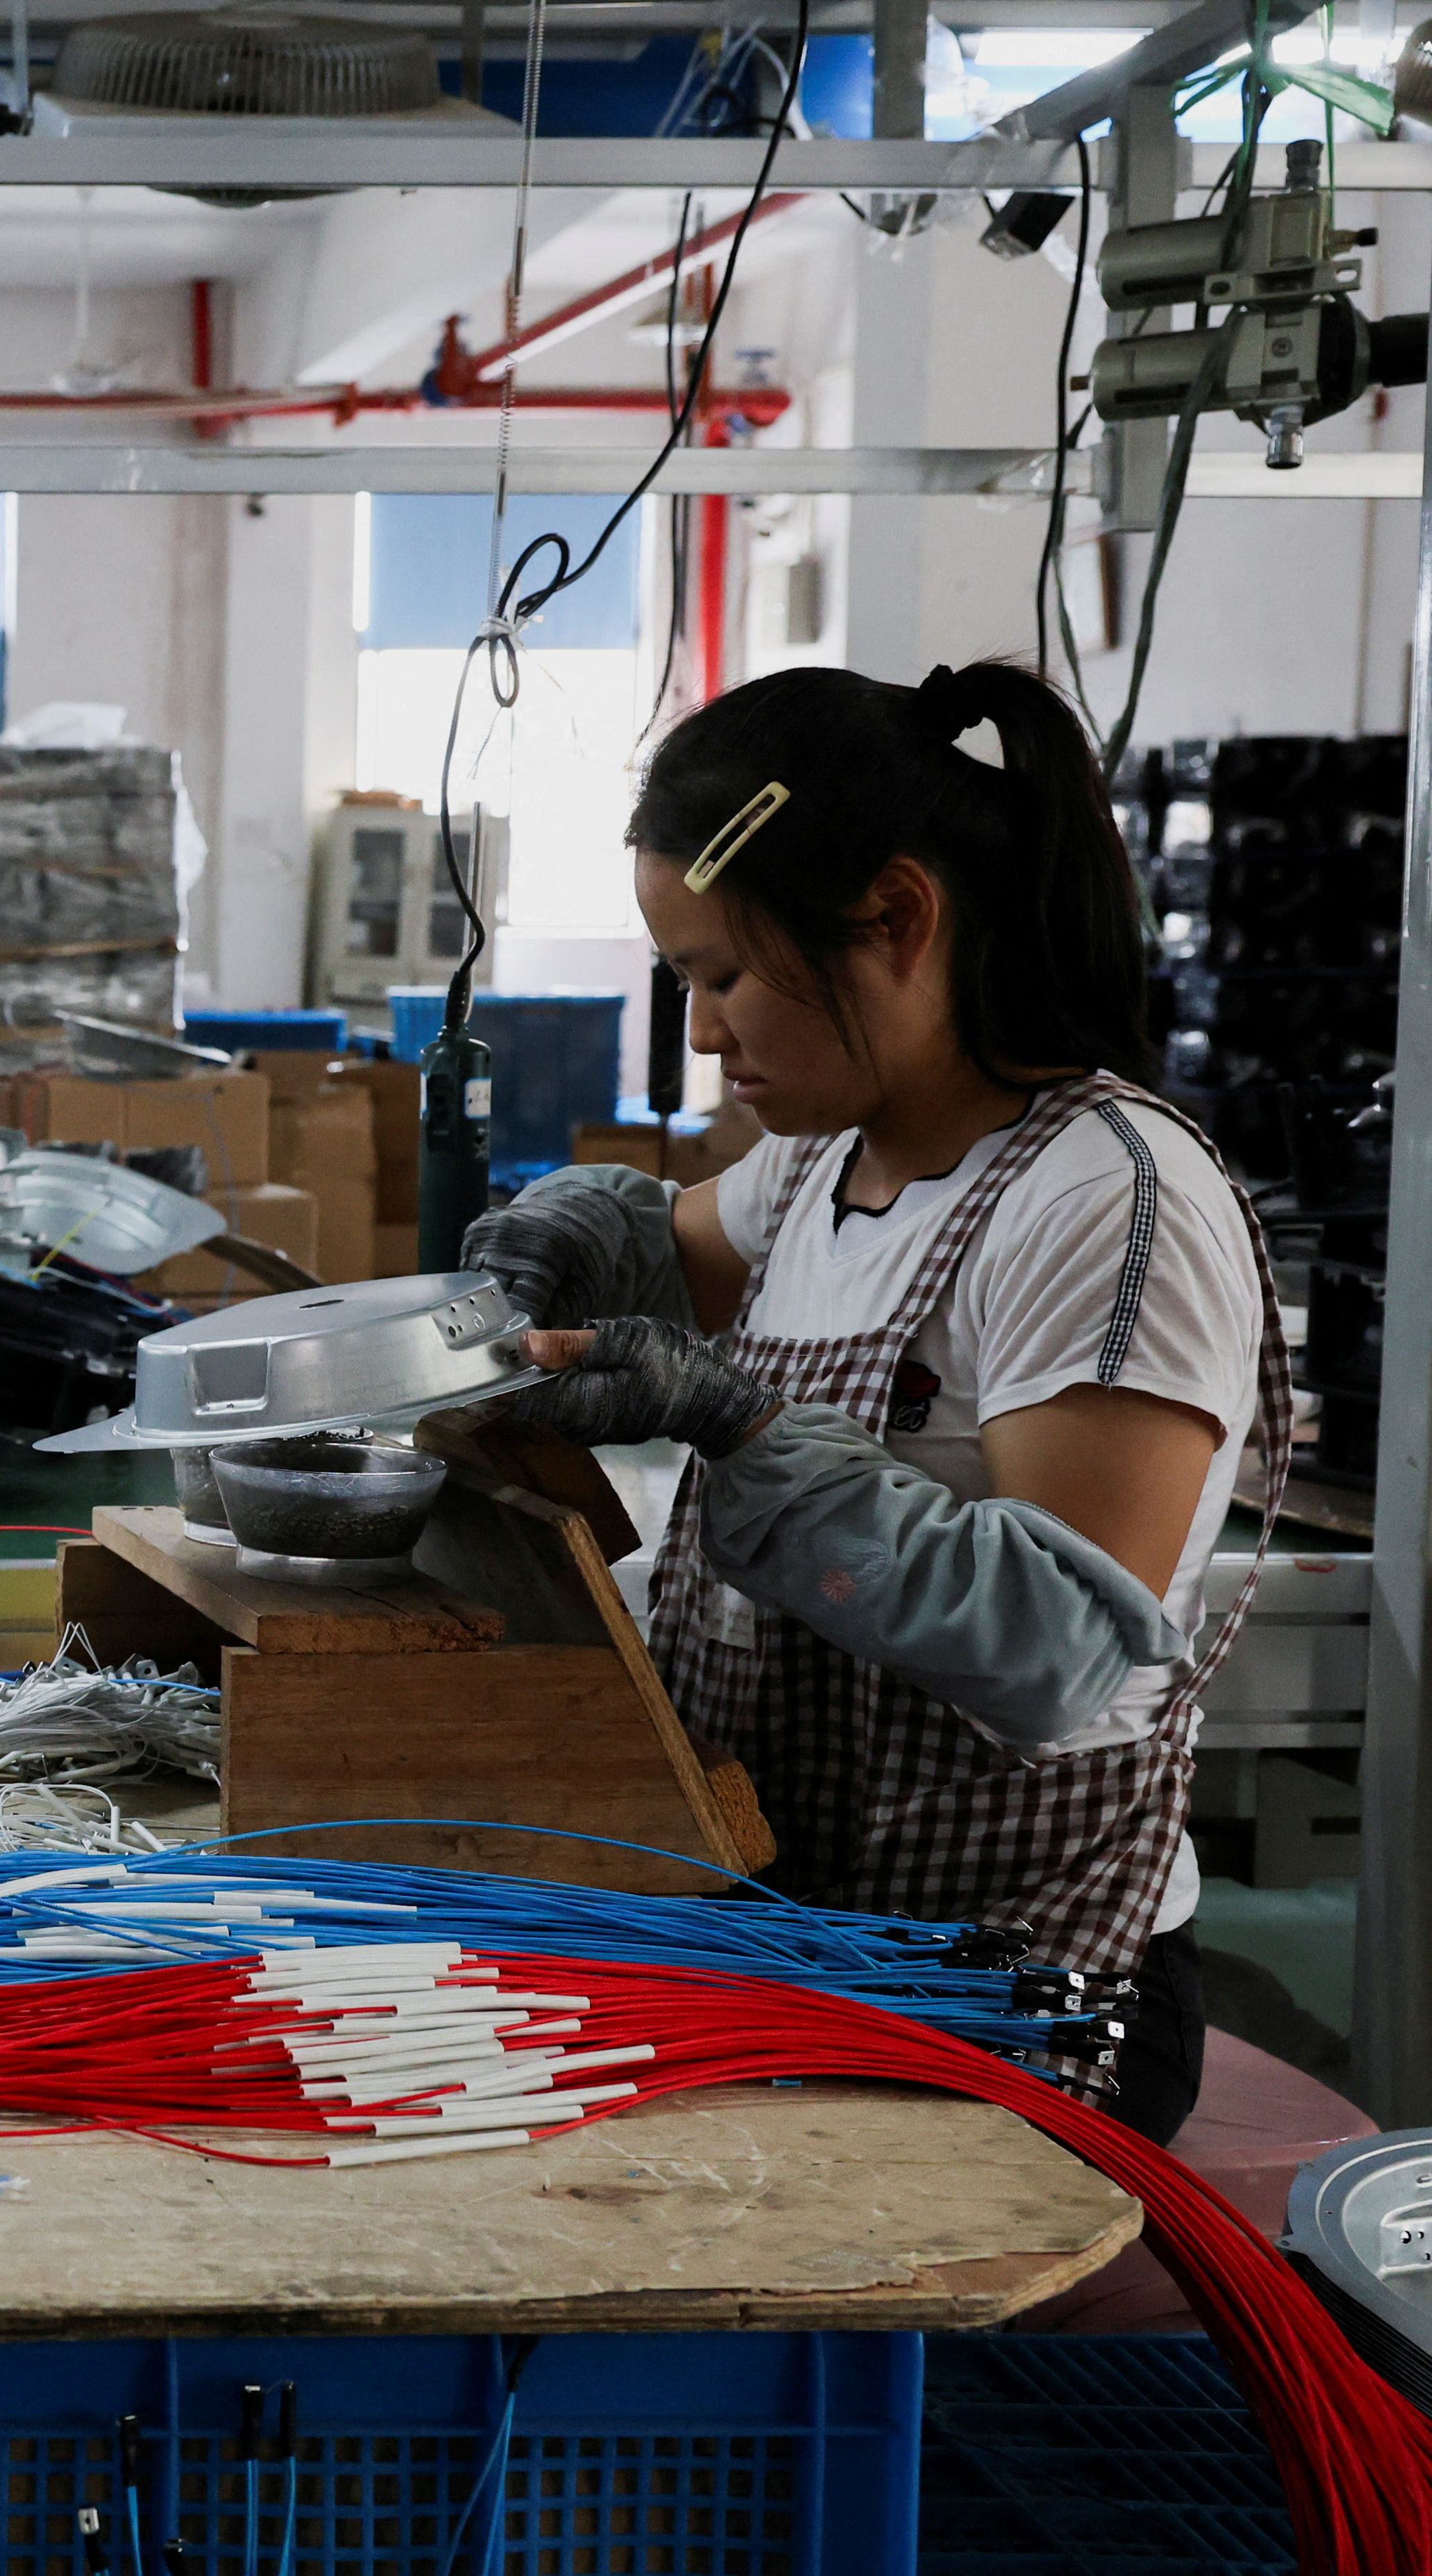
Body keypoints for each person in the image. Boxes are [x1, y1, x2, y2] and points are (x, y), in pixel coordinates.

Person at [463, 658, 1285, 2146]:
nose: (703, 1034)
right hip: (799, 1923)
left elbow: (1061, 1651)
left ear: (895, 918)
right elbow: (668, 1247)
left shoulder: (1109, 1203)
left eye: (720, 975)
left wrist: (739, 1427)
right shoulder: (819, 1161)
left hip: (1008, 1978)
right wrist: (570, 1241)